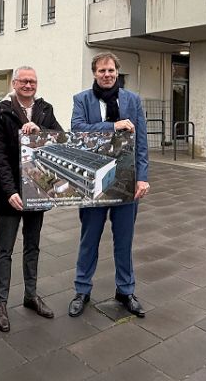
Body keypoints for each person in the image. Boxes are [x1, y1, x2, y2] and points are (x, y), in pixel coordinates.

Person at [68, 52, 150, 318]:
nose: (107, 75)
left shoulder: (132, 100)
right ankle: (82, 290)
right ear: (94, 73)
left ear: (117, 72)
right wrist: (113, 126)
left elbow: (141, 143)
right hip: (92, 181)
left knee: (124, 240)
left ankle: (125, 290)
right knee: (89, 239)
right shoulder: (82, 99)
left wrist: (142, 177)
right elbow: (77, 130)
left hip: (126, 180)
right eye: (102, 70)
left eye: (111, 70)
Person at [0, 66, 64, 332]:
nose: (28, 85)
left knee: (33, 246)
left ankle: (30, 295)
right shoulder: (1, 112)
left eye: (32, 81)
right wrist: (10, 191)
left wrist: (40, 131)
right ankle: (0, 304)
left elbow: (60, 139)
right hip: (11, 193)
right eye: (23, 81)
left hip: (37, 189)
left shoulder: (45, 109)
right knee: (4, 250)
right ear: (14, 83)